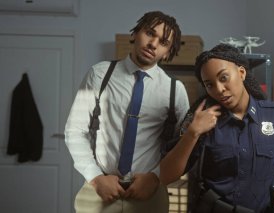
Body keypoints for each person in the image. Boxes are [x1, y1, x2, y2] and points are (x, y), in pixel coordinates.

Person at [64, 11, 189, 213]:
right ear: (135, 33)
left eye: (163, 42)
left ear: (167, 52)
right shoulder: (100, 74)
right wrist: (95, 178)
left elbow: (182, 147)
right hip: (99, 190)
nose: (153, 44)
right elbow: (74, 131)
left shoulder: (176, 90)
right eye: (149, 33)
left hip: (149, 193)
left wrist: (155, 177)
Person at [160, 44, 274, 213]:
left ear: (241, 73)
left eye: (223, 78)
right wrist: (192, 133)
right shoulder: (201, 120)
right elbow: (166, 176)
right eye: (210, 85)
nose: (219, 90)